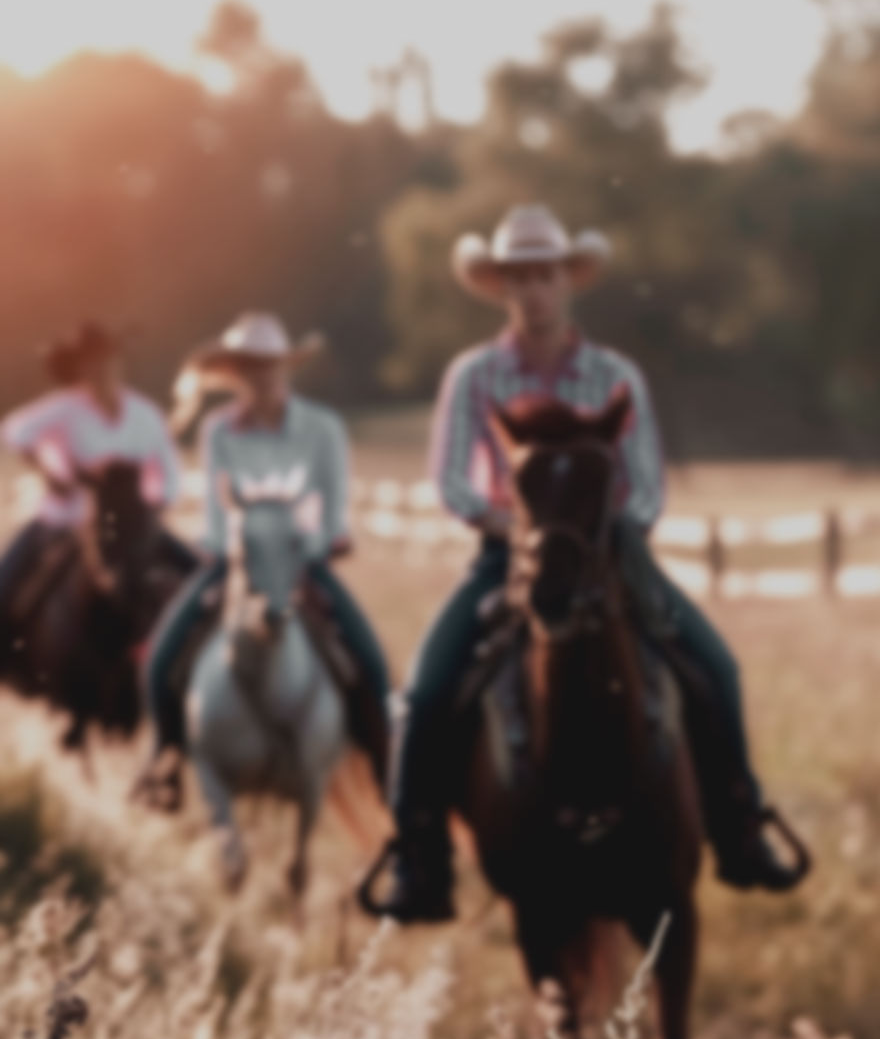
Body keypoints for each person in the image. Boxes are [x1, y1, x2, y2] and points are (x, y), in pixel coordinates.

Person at [364, 204, 805, 923]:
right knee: (423, 693)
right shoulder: (474, 375)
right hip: (507, 556)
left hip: (610, 556)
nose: (534, 289)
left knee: (716, 668)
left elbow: (647, 484)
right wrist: (523, 530)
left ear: (567, 280)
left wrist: (598, 540)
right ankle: (419, 860)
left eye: (545, 275)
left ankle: (739, 827)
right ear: (502, 288)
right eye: (520, 277)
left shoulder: (613, 374)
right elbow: (451, 482)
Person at [137, 311, 392, 806]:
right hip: (236, 561)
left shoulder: (322, 428)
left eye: (268, 364)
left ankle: (386, 770)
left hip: (304, 561)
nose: (260, 375)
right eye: (249, 366)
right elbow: (217, 516)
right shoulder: (218, 432)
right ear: (234, 374)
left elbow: (334, 514)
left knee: (370, 661)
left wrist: (303, 551)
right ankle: (165, 757)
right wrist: (239, 553)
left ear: (285, 367)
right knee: (162, 657)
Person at [0, 322, 193, 676]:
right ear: (81, 368)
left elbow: (168, 474)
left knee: (198, 578)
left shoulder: (145, 413)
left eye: (107, 359)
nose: (101, 369)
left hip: (134, 526)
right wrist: (48, 473)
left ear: (119, 362)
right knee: (7, 585)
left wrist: (152, 509)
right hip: (65, 521)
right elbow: (14, 430)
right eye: (92, 362)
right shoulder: (65, 407)